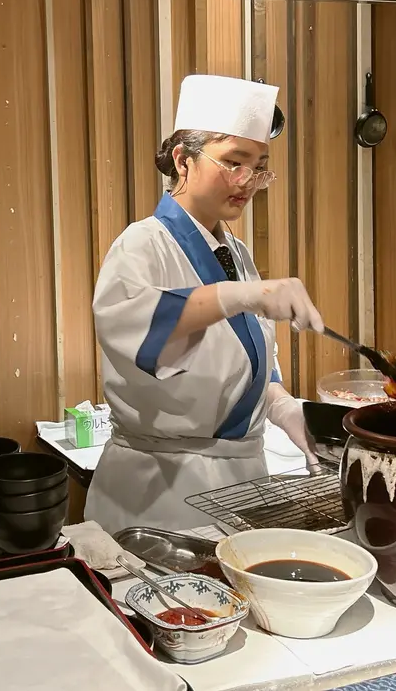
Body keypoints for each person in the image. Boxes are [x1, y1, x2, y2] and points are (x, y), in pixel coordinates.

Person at [85, 74, 325, 533]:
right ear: (183, 159)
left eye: (258, 166)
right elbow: (148, 335)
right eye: (234, 161)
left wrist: (280, 404)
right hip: (162, 492)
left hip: (238, 479)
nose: (247, 181)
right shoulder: (141, 245)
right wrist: (245, 294)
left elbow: (238, 357)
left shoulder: (233, 250)